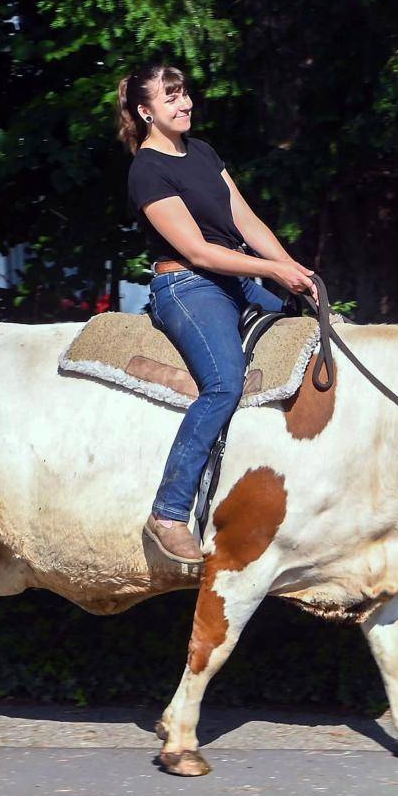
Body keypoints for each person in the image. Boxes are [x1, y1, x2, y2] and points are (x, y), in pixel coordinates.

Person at [118, 61, 316, 565]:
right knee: (225, 382)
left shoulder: (202, 152)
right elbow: (200, 253)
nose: (184, 104)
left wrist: (291, 267)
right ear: (145, 112)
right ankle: (168, 512)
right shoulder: (148, 169)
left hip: (235, 279)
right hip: (187, 284)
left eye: (184, 94)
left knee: (315, 330)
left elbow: (245, 219)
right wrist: (272, 272)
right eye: (170, 98)